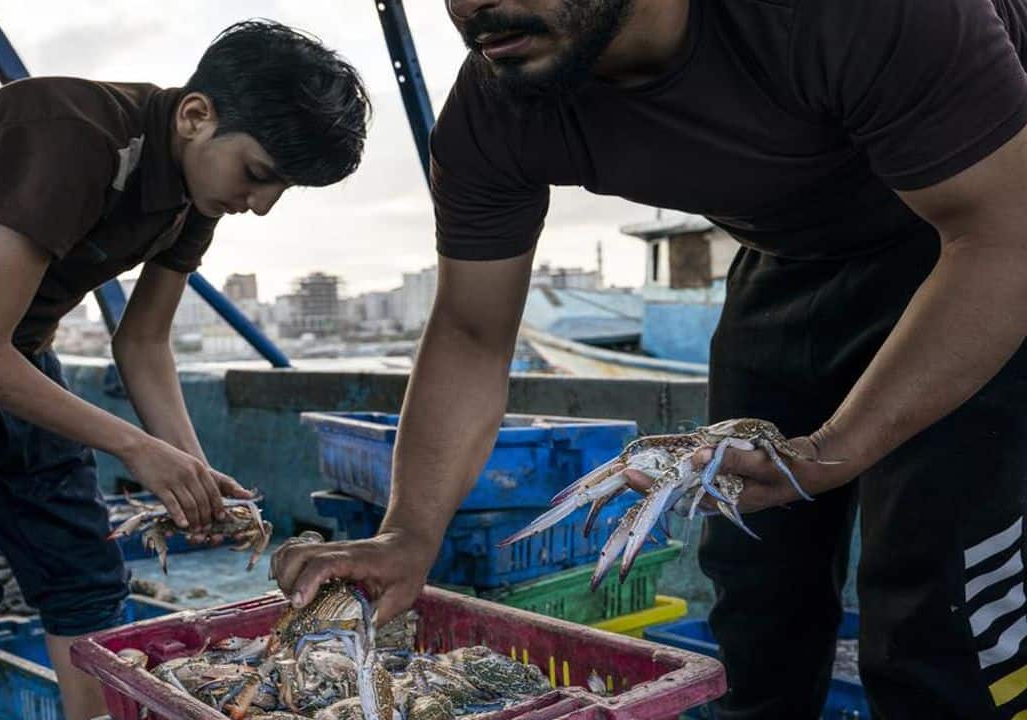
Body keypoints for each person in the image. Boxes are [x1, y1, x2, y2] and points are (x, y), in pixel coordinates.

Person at [271, 0, 1027, 717]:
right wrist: (409, 533)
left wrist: (830, 453)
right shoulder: (499, 96)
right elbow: (471, 332)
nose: (470, 7)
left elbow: (1006, 236)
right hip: (785, 257)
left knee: (942, 610)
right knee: (753, 589)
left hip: (983, 239)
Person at [0, 20, 369, 720]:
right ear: (196, 115)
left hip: (13, 351)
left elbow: (142, 343)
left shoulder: (195, 192)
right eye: (259, 175)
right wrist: (138, 447)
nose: (259, 204)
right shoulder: (75, 138)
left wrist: (195, 477)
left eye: (281, 189)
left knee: (84, 571)